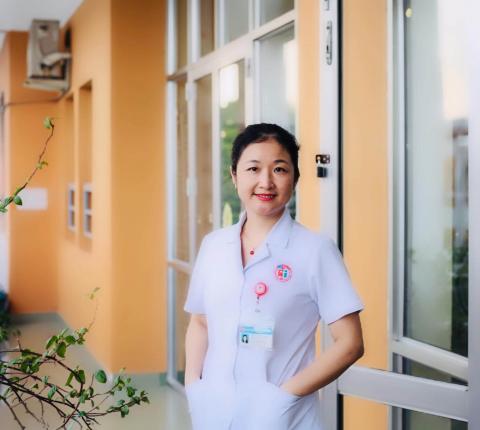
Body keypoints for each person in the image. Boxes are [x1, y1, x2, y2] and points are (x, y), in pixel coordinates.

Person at [183, 123, 365, 430]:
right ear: (234, 175)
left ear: (295, 178)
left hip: (283, 418)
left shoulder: (314, 250)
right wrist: (193, 386)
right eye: (253, 169)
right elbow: (200, 321)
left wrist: (284, 397)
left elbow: (350, 343)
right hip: (212, 412)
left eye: (279, 169)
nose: (265, 182)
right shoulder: (214, 245)